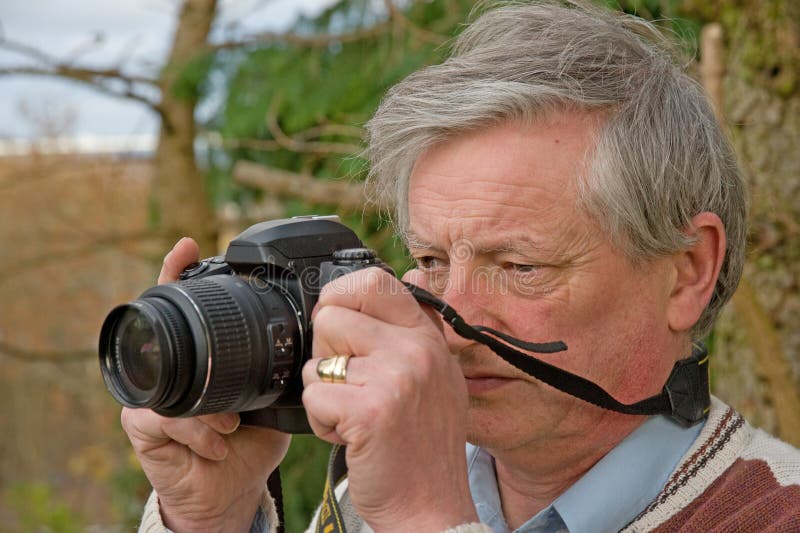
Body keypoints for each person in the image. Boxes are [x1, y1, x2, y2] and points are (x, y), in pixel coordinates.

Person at [123, 1, 800, 532]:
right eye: (431, 260)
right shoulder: (373, 492)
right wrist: (215, 514)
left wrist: (426, 519)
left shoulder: (773, 512)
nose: (452, 324)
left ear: (686, 271)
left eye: (519, 265)